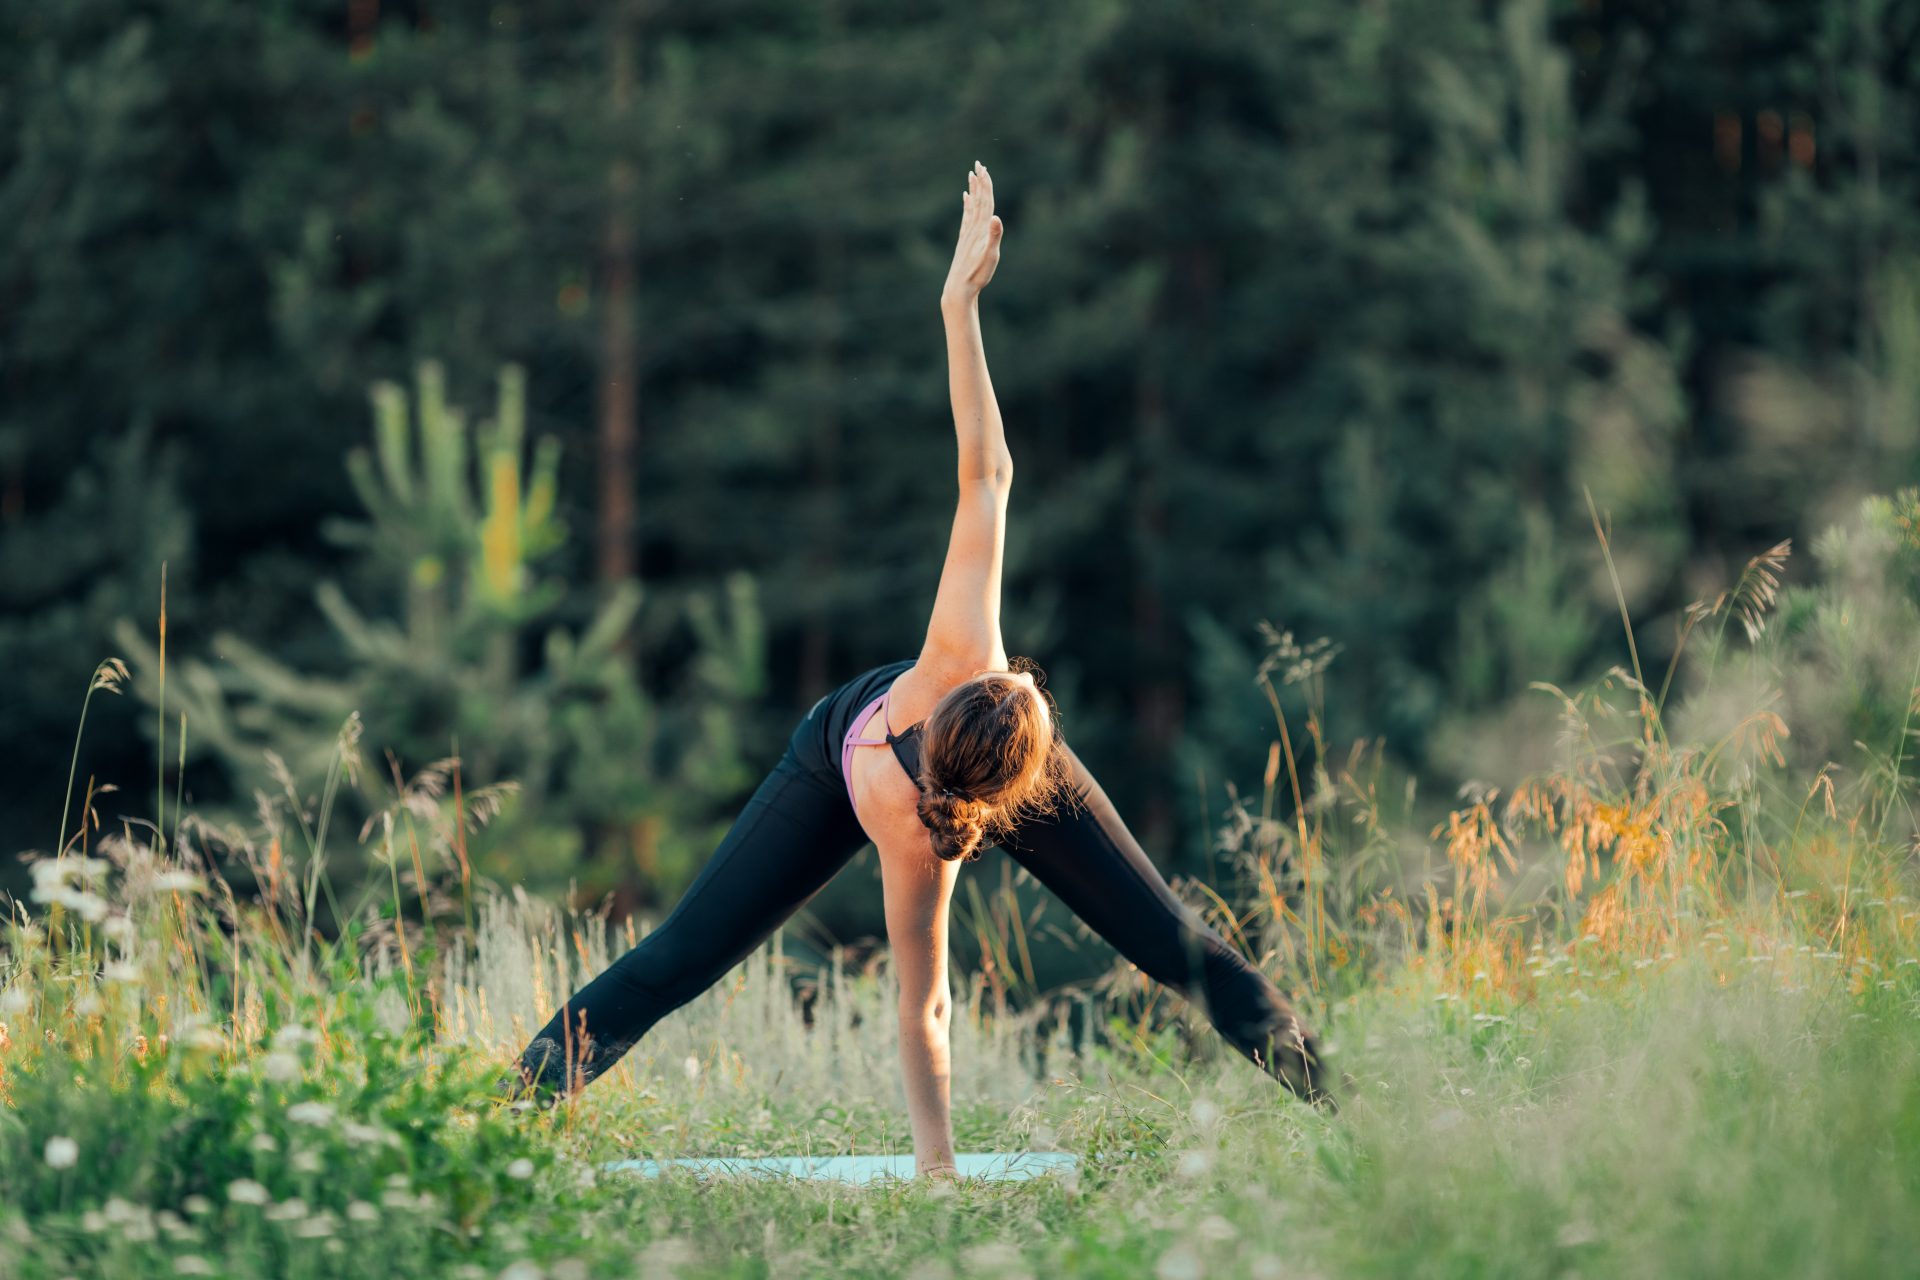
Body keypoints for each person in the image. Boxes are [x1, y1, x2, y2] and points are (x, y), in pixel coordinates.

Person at [501, 161, 1335, 1175]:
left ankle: (1339, 1106)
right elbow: (923, 1006)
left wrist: (958, 308)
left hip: (950, 751)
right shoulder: (918, 828)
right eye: (1033, 688)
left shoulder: (966, 650)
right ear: (997, 792)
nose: (1029, 675)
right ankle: (498, 1119)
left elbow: (986, 470)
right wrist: (937, 1176)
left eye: (1025, 690)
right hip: (837, 763)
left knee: (1174, 946)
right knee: (679, 957)